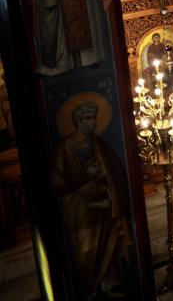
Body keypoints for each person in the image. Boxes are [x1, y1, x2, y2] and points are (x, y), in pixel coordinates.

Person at [50, 100, 131, 297]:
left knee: (109, 247)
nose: (92, 122)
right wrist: (86, 178)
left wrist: (110, 198)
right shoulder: (65, 148)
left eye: (94, 117)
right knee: (85, 251)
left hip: (105, 207)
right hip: (80, 211)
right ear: (78, 121)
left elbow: (115, 175)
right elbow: (56, 182)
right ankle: (90, 291)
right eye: (87, 118)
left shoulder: (99, 144)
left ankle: (108, 287)